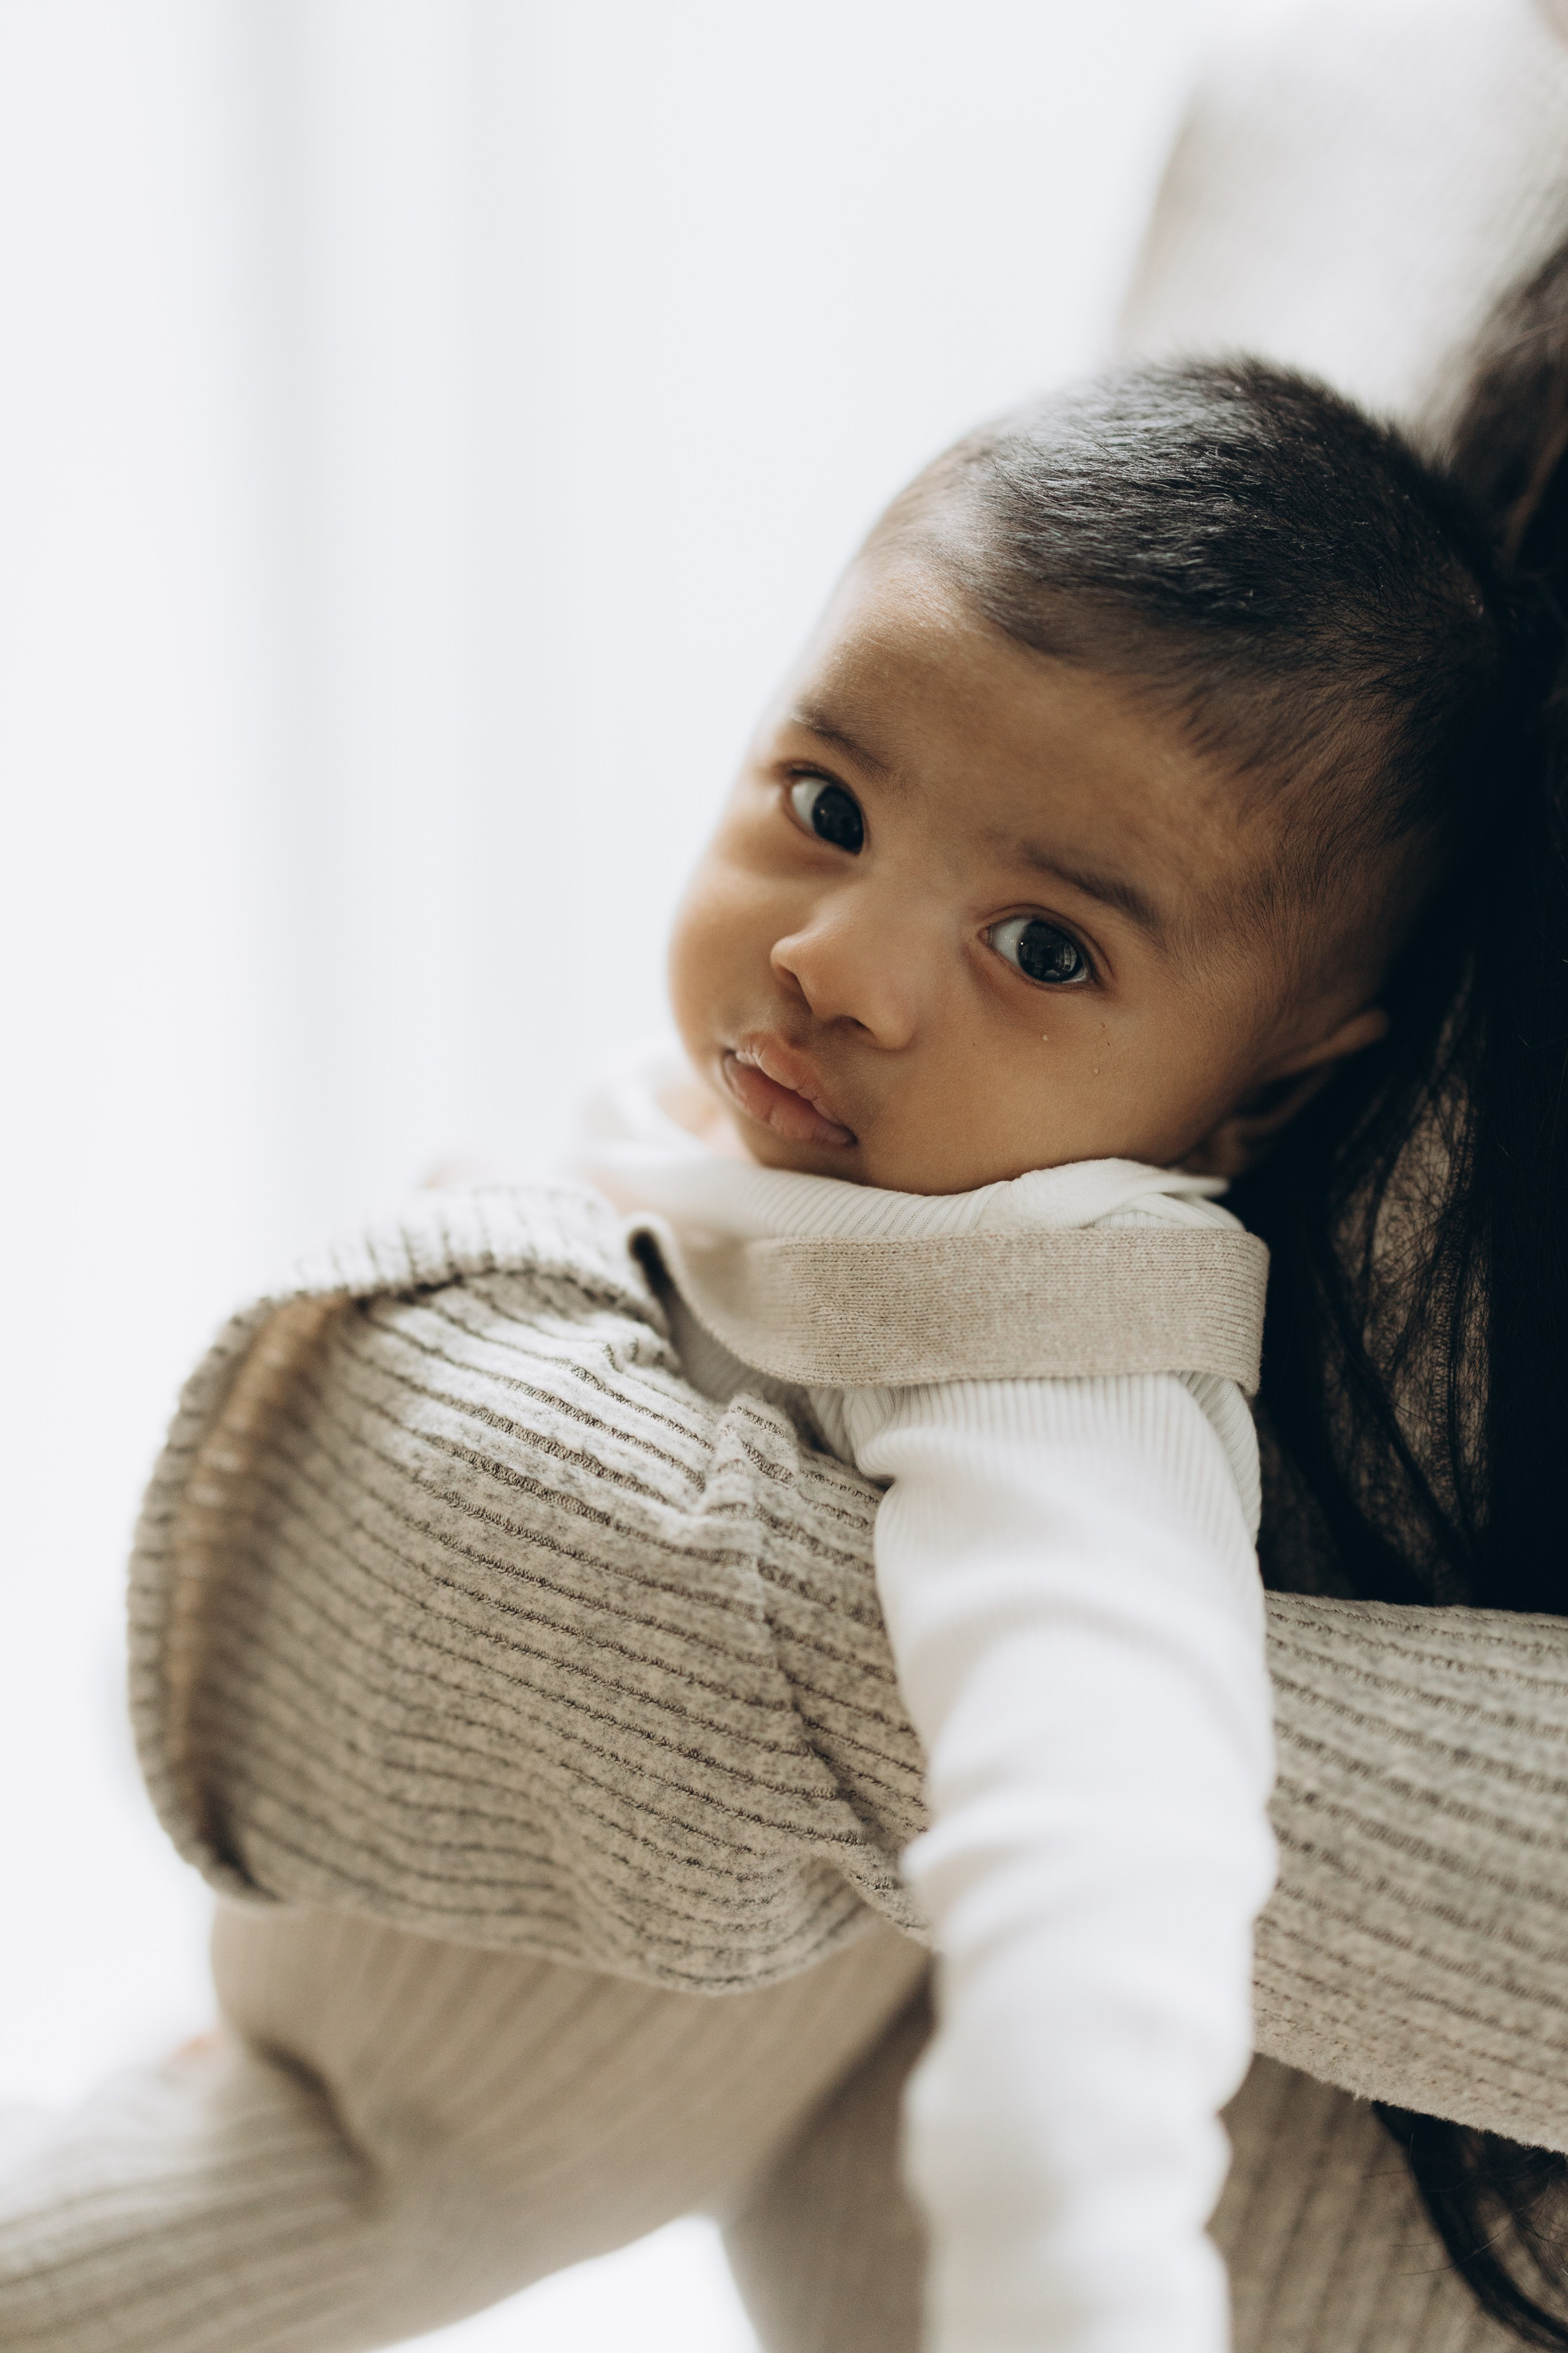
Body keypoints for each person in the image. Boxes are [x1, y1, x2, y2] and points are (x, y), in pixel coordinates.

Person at [0, 350, 1550, 2353]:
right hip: (335, 2013)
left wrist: (1068, 2287)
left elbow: (1111, 1857)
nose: (841, 959)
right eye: (827, 805)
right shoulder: (826, 1119)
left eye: (1046, 946)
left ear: (1253, 1108)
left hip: (440, 2150)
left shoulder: (1056, 1342)